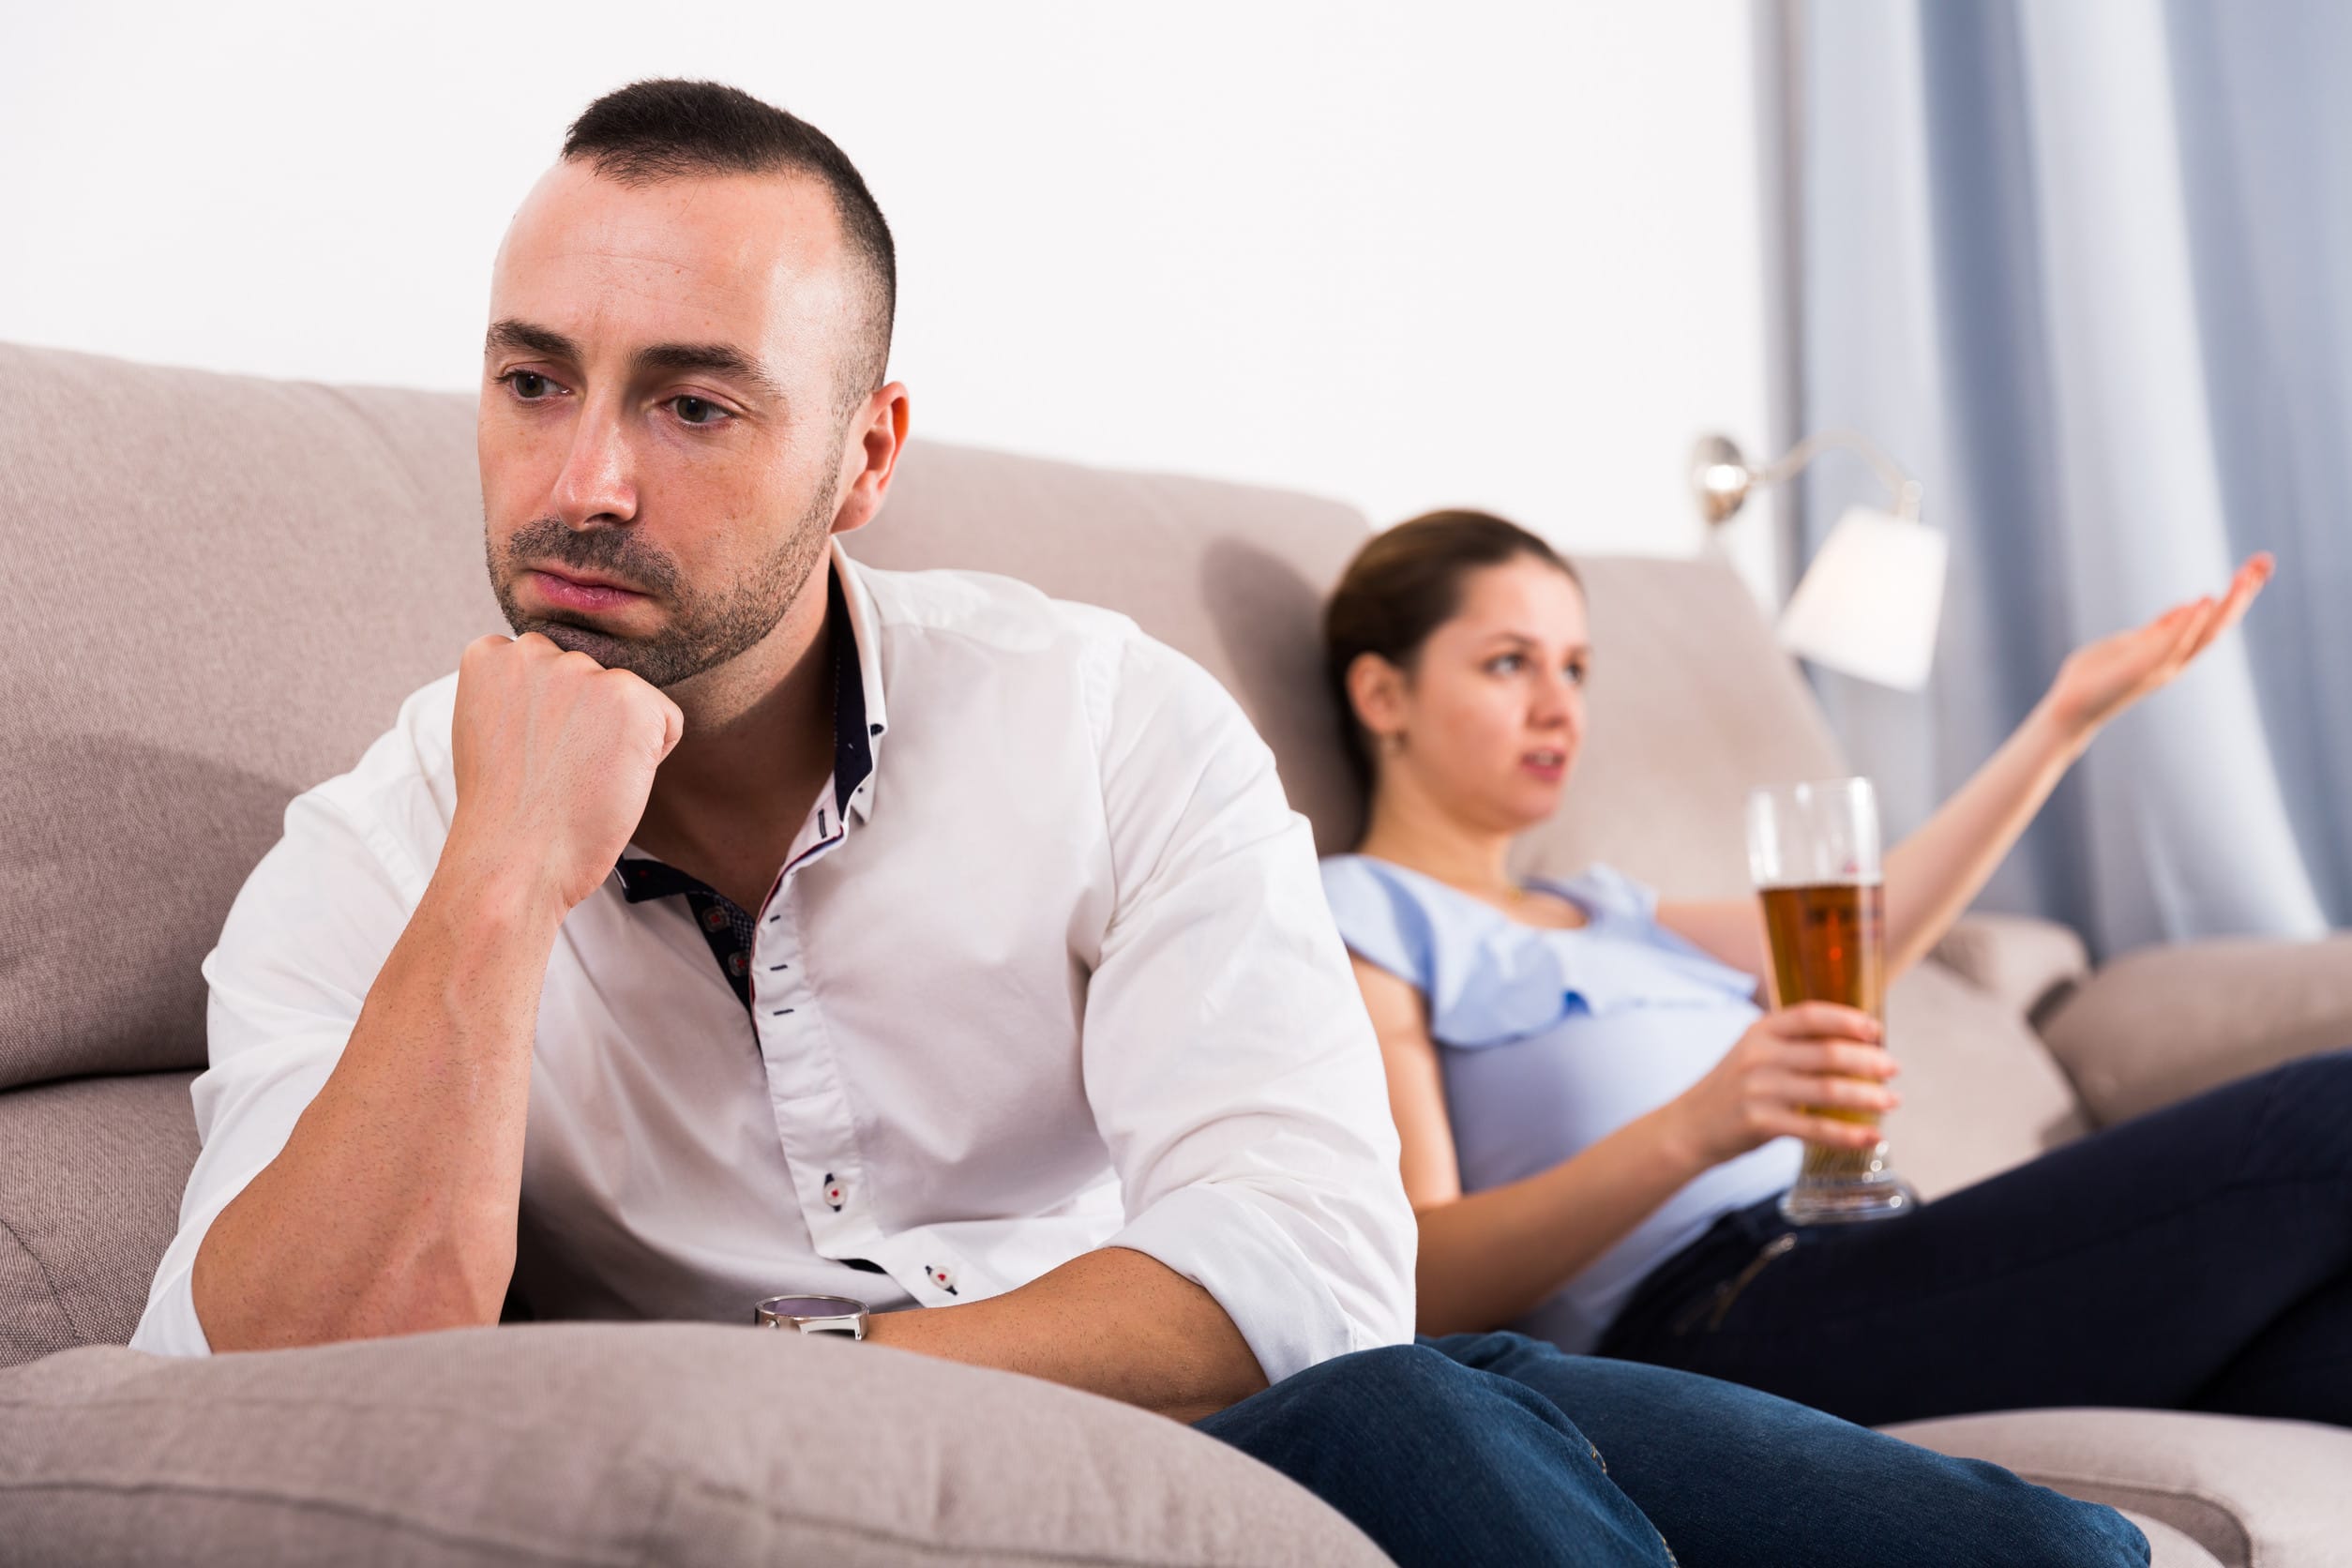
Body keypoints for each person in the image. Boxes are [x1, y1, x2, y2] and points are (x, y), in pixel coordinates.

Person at [132, 82, 2146, 1565]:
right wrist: (502, 872)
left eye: (695, 403)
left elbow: (1309, 1256)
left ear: (867, 454)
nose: (583, 481)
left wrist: (810, 1380)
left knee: (2058, 1552)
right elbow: (281, 1391)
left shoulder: (1105, 722)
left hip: (1286, 1405)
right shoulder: (379, 849)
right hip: (981, 1483)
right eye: (529, 379)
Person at [1319, 507, 2350, 1433]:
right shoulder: (1364, 913)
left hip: (1863, 1256)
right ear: (1382, 692)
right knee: (2324, 1116)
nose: (1560, 706)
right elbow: (1419, 1278)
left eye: (1577, 668)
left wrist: (2063, 720)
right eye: (1510, 663)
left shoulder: (1608, 907)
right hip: (1709, 1321)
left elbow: (1863, 931)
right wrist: (1698, 1125)